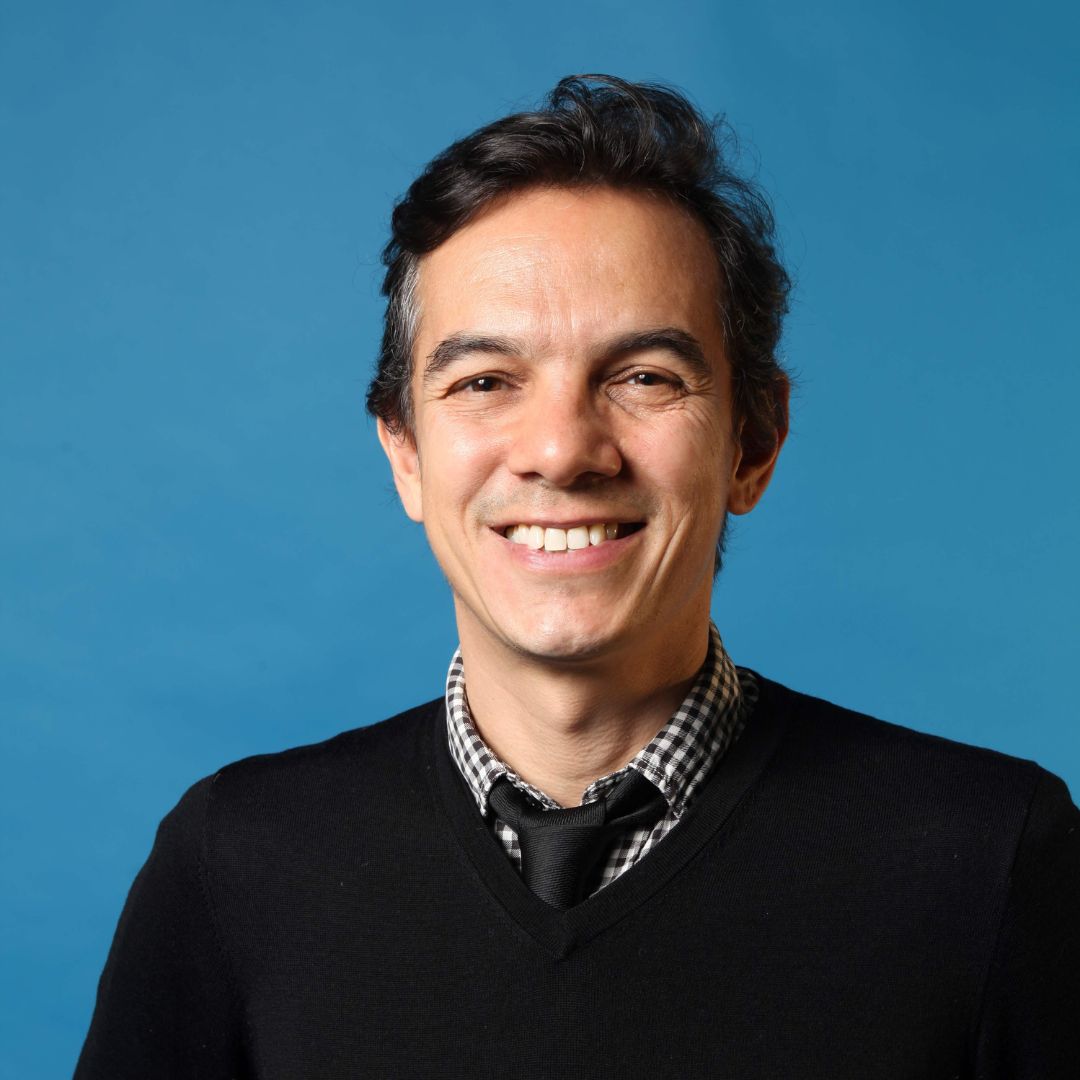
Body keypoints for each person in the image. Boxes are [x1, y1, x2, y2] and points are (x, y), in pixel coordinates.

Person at [76, 75, 1079, 1079]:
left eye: (643, 377)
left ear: (754, 442)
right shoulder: (234, 865)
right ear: (405, 453)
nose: (561, 451)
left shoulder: (992, 860)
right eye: (485, 382)